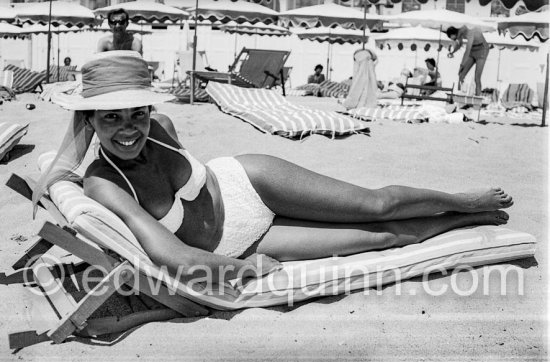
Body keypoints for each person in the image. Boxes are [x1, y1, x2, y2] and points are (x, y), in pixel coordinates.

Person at [35, 51, 513, 284]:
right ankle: (467, 222)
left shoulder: (161, 122)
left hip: (250, 183)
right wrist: (243, 268)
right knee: (380, 236)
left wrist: (117, 117)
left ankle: (462, 201)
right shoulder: (103, 184)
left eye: (134, 112)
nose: (128, 128)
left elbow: (163, 148)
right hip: (242, 241)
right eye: (110, 117)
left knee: (375, 202)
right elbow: (175, 258)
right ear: (88, 120)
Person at [446, 26, 489, 96]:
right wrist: (452, 52)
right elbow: (459, 44)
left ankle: (478, 98)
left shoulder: (469, 31)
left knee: (477, 77)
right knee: (461, 74)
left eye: (451, 38)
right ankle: (462, 94)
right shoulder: (459, 33)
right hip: (473, 50)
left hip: (482, 50)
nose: (453, 40)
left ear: (453, 34)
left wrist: (462, 65)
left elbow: (467, 51)